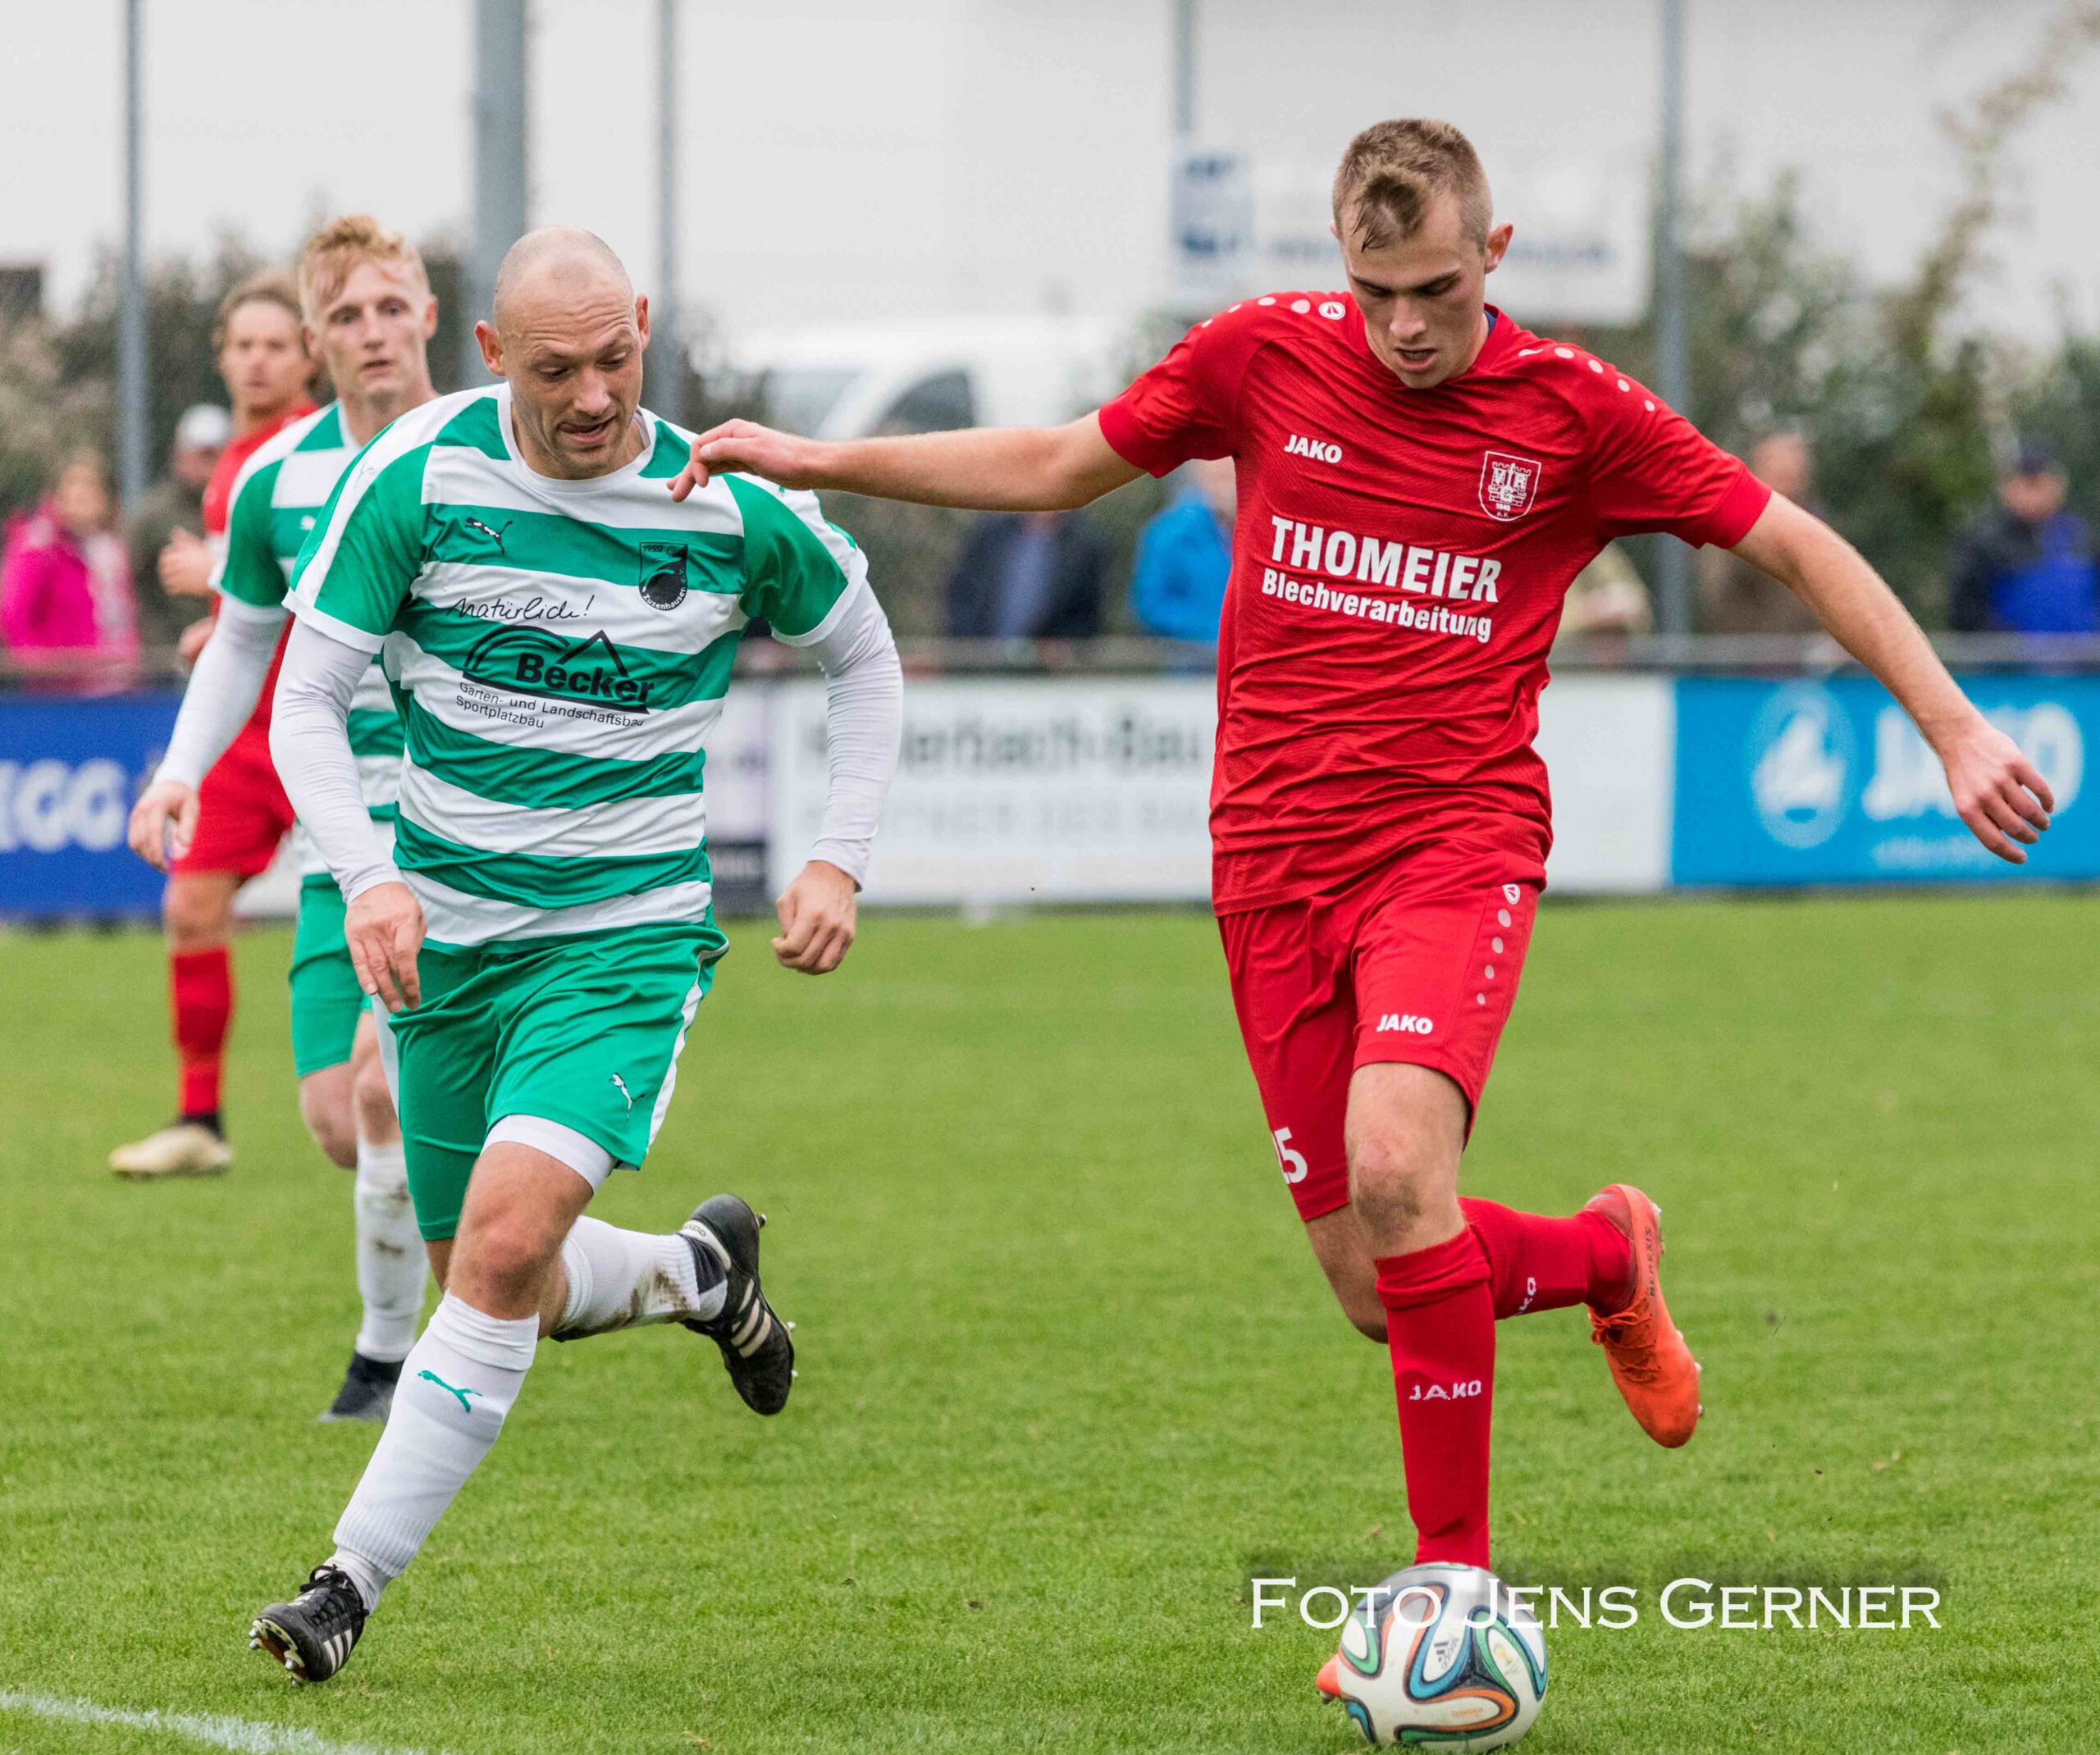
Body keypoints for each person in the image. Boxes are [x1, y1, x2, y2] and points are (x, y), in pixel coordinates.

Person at [672, 118, 2051, 1667]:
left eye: (1438, 289)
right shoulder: (1262, 357)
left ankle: (1450, 1593)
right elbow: (1061, 462)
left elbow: (1792, 542)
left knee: (1399, 1172)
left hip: (1452, 847)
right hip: (1270, 870)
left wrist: (1953, 724)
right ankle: (1604, 1253)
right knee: (1378, 1289)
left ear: (1495, 256)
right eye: (1375, 289)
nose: (1404, 325)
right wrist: (816, 459)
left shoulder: (1576, 412)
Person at [244, 226, 902, 1684]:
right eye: (558, 371)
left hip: (620, 945)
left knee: (495, 1248)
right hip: (447, 951)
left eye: (617, 358)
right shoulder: (418, 477)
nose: (596, 395)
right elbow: (306, 699)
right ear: (493, 355)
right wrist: (369, 877)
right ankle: (699, 1274)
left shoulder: (727, 502)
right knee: (505, 1279)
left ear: (645, 325)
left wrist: (839, 853)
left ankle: (345, 1582)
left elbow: (864, 655)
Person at [128, 217, 445, 1423]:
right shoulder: (276, 479)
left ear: (428, 317)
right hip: (337, 838)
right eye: (345, 315)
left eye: (390, 308)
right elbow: (241, 640)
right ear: (319, 338)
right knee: (336, 1121)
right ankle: (647, 1264)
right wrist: (180, 769)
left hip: (457, 831)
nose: (372, 333)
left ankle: (385, 1365)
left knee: (381, 1093)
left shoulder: (488, 447)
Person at [107, 274, 317, 1179]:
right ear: (223, 356)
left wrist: (220, 574)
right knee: (190, 907)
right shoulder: (232, 461)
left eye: (277, 344)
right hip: (243, 726)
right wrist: (224, 619)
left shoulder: (324, 447)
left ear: (309, 356)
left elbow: (350, 569)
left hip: (331, 723)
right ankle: (201, 1117)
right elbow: (260, 601)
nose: (258, 360)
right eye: (244, 344)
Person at [0, 451, 139, 685]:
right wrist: (42, 671)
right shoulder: (40, 547)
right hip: (59, 690)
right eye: (72, 483)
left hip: (115, 684)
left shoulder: (112, 550)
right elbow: (13, 616)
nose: (80, 493)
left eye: (90, 484)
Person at [1949, 442, 2099, 636]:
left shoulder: (2082, 537)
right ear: (2006, 488)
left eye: (2039, 484)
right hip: (2010, 654)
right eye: (2026, 484)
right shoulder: (1983, 543)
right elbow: (1965, 614)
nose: (2032, 495)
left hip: (2084, 654)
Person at [126, 403, 232, 653]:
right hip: (165, 653)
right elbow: (127, 582)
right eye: (201, 454)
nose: (208, 465)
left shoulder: (242, 504)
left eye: (215, 454)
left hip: (229, 644)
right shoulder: (153, 515)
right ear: (180, 454)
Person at [1697, 431, 1824, 636]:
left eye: (1793, 461)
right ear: (1757, 467)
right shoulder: (1732, 519)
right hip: (1749, 642)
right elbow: (1719, 592)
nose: (1788, 468)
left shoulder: (1816, 521)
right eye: (1776, 461)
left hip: (1807, 645)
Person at [944, 508, 1104, 640]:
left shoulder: (1083, 548)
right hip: (978, 655)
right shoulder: (991, 533)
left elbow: (1085, 613)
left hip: (1041, 663)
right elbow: (963, 591)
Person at [1130, 454, 1233, 647]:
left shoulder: (1265, 526)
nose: (1225, 487)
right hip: (1191, 655)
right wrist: (1215, 629)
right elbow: (1151, 604)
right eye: (1219, 476)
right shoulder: (1169, 532)